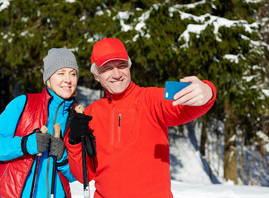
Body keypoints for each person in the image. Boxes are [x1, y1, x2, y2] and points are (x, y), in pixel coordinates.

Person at [65, 38, 217, 198]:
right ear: (96, 75)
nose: (117, 74)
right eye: (107, 68)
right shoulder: (89, 115)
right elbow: (83, 176)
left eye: (122, 65)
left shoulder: (151, 99)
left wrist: (207, 91)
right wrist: (74, 142)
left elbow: (183, 106)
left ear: (129, 67)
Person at [0, 48, 79, 198]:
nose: (68, 79)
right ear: (49, 78)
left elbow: (76, 175)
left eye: (72, 73)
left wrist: (62, 158)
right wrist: (25, 144)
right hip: (11, 193)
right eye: (61, 73)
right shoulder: (24, 104)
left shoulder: (76, 119)